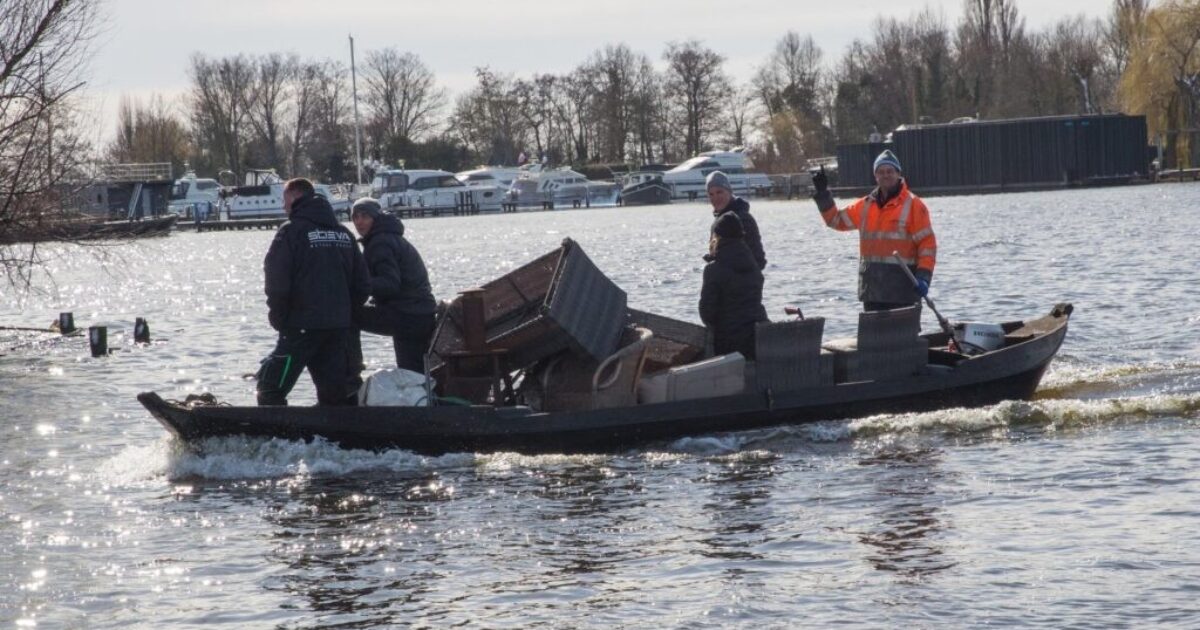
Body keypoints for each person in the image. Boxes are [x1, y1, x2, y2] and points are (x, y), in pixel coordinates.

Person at [257, 178, 370, 406]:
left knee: (270, 388)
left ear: (295, 198)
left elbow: (276, 280)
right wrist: (344, 312)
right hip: (338, 327)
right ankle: (338, 426)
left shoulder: (291, 232)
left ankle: (269, 426)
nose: (283, 206)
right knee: (336, 395)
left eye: (285, 200)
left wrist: (279, 317)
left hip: (301, 326)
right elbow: (362, 284)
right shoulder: (344, 234)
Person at [811, 149, 937, 311]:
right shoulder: (865, 206)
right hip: (872, 292)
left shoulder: (914, 205)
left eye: (890, 171)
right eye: (881, 172)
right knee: (872, 328)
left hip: (902, 292)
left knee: (902, 328)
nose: (886, 175)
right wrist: (823, 194)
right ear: (875, 176)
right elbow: (835, 220)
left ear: (898, 173)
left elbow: (927, 245)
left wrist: (924, 277)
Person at [347, 197, 438, 375]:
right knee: (414, 372)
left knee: (346, 314)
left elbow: (390, 284)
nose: (359, 222)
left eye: (365, 216)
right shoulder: (390, 237)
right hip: (422, 314)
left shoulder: (380, 243)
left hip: (407, 315)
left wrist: (357, 283)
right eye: (355, 217)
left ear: (376, 218)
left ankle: (351, 374)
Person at [699, 212, 769, 359]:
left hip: (729, 344)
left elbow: (707, 313)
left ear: (717, 238)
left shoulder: (713, 269)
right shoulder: (754, 267)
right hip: (758, 338)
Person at [706, 171, 766, 271]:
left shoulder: (743, 219)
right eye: (711, 194)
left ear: (729, 192)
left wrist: (733, 274)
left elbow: (759, 260)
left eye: (719, 192)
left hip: (743, 278)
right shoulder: (718, 221)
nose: (715, 197)